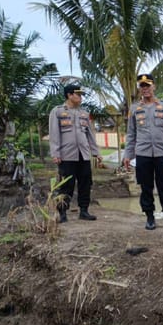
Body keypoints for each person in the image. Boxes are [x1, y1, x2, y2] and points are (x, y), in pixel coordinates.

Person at [123, 73, 163, 230]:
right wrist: (128, 155)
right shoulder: (134, 109)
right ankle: (150, 217)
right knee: (145, 187)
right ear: (139, 89)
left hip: (162, 153)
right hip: (143, 154)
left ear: (154, 86)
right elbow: (131, 133)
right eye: (142, 86)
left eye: (148, 85)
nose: (145, 89)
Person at [48, 84, 103, 223]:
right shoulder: (58, 112)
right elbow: (54, 134)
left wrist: (96, 152)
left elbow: (90, 135)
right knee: (66, 184)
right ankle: (62, 212)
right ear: (69, 95)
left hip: (83, 155)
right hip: (67, 155)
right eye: (77, 94)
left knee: (86, 182)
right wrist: (56, 153)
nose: (80, 97)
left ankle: (84, 210)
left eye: (81, 94)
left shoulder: (83, 113)